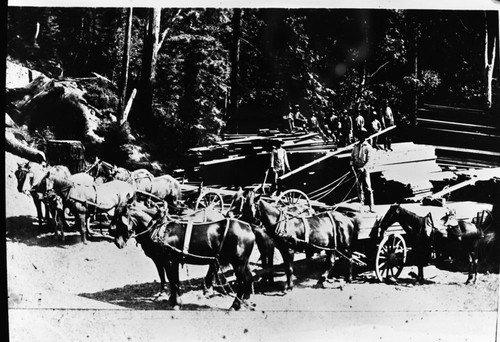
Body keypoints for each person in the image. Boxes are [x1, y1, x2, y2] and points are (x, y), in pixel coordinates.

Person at [350, 128, 374, 212]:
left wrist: (363, 168)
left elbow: (370, 160)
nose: (361, 136)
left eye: (362, 134)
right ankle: (362, 205)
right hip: (357, 169)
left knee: (368, 188)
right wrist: (352, 165)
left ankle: (371, 206)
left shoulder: (368, 147)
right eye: (359, 134)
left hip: (365, 169)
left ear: (364, 136)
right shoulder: (355, 146)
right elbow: (352, 157)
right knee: (359, 188)